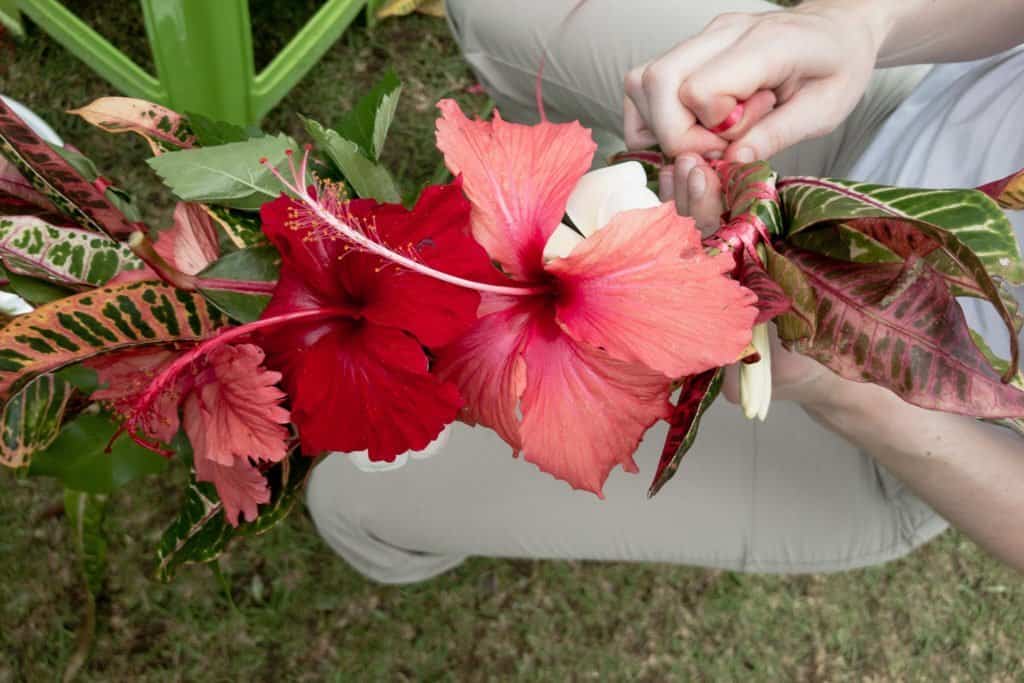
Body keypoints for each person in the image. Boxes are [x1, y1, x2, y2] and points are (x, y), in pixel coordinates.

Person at [305, 0, 1024, 582]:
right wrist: (858, 23)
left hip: (913, 420)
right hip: (871, 122)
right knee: (497, 10)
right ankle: (551, 181)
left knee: (350, 497)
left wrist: (848, 395)